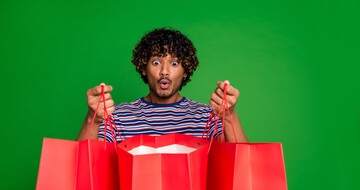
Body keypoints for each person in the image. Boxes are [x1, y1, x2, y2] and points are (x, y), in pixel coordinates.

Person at [76, 28, 248, 143]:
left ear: (186, 70)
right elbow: (84, 165)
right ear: (143, 68)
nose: (164, 71)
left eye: (174, 64)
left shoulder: (205, 118)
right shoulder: (117, 118)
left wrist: (228, 115)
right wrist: (92, 118)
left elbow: (239, 162)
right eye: (156, 62)